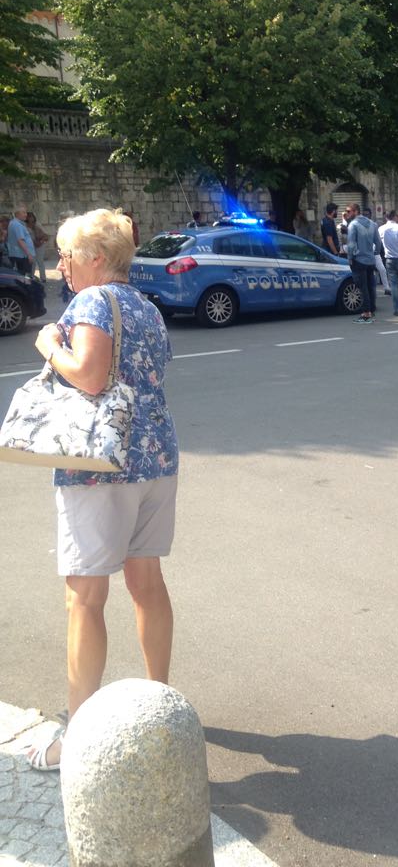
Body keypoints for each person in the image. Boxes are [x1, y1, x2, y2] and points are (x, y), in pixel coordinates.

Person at [24, 208, 179, 771]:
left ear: (95, 258)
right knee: (147, 584)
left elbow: (89, 376)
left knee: (84, 598)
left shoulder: (91, 302)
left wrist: (49, 345)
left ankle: (79, 735)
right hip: (155, 458)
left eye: (66, 255)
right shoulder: (146, 306)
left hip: (99, 466)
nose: (61, 265)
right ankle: (160, 703)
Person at [347, 203, 383, 323]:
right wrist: (376, 253)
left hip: (359, 260)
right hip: (370, 260)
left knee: (362, 287)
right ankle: (371, 310)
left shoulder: (353, 225)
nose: (347, 214)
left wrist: (350, 257)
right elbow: (378, 242)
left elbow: (351, 244)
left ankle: (365, 314)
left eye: (349, 211)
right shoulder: (372, 224)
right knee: (370, 286)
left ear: (356, 211)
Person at [7, 205, 35, 274]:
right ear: (17, 214)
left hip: (18, 255)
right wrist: (29, 254)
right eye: (23, 212)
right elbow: (20, 240)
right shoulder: (17, 225)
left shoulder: (14, 223)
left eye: (26, 212)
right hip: (22, 256)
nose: (26, 215)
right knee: (25, 276)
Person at [26, 212, 50, 282]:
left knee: (40, 261)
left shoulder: (37, 224)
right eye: (29, 217)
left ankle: (43, 278)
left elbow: (45, 234)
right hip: (31, 245)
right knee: (32, 262)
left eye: (32, 217)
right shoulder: (24, 226)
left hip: (40, 244)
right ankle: (31, 277)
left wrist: (41, 242)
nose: (31, 218)